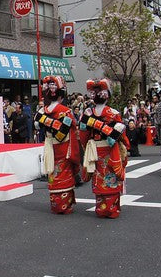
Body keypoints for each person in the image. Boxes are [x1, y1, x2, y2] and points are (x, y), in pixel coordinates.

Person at [79, 79, 130, 219]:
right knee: (110, 175)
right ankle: (111, 209)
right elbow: (121, 136)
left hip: (95, 149)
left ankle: (101, 208)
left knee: (99, 175)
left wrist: (87, 143)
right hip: (109, 148)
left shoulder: (87, 113)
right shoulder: (113, 113)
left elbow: (83, 134)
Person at [34, 76, 81, 214]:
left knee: (53, 171)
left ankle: (56, 204)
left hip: (50, 144)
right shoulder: (65, 111)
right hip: (63, 145)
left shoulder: (42, 112)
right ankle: (65, 204)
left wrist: (44, 120)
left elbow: (37, 125)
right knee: (64, 170)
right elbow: (68, 128)